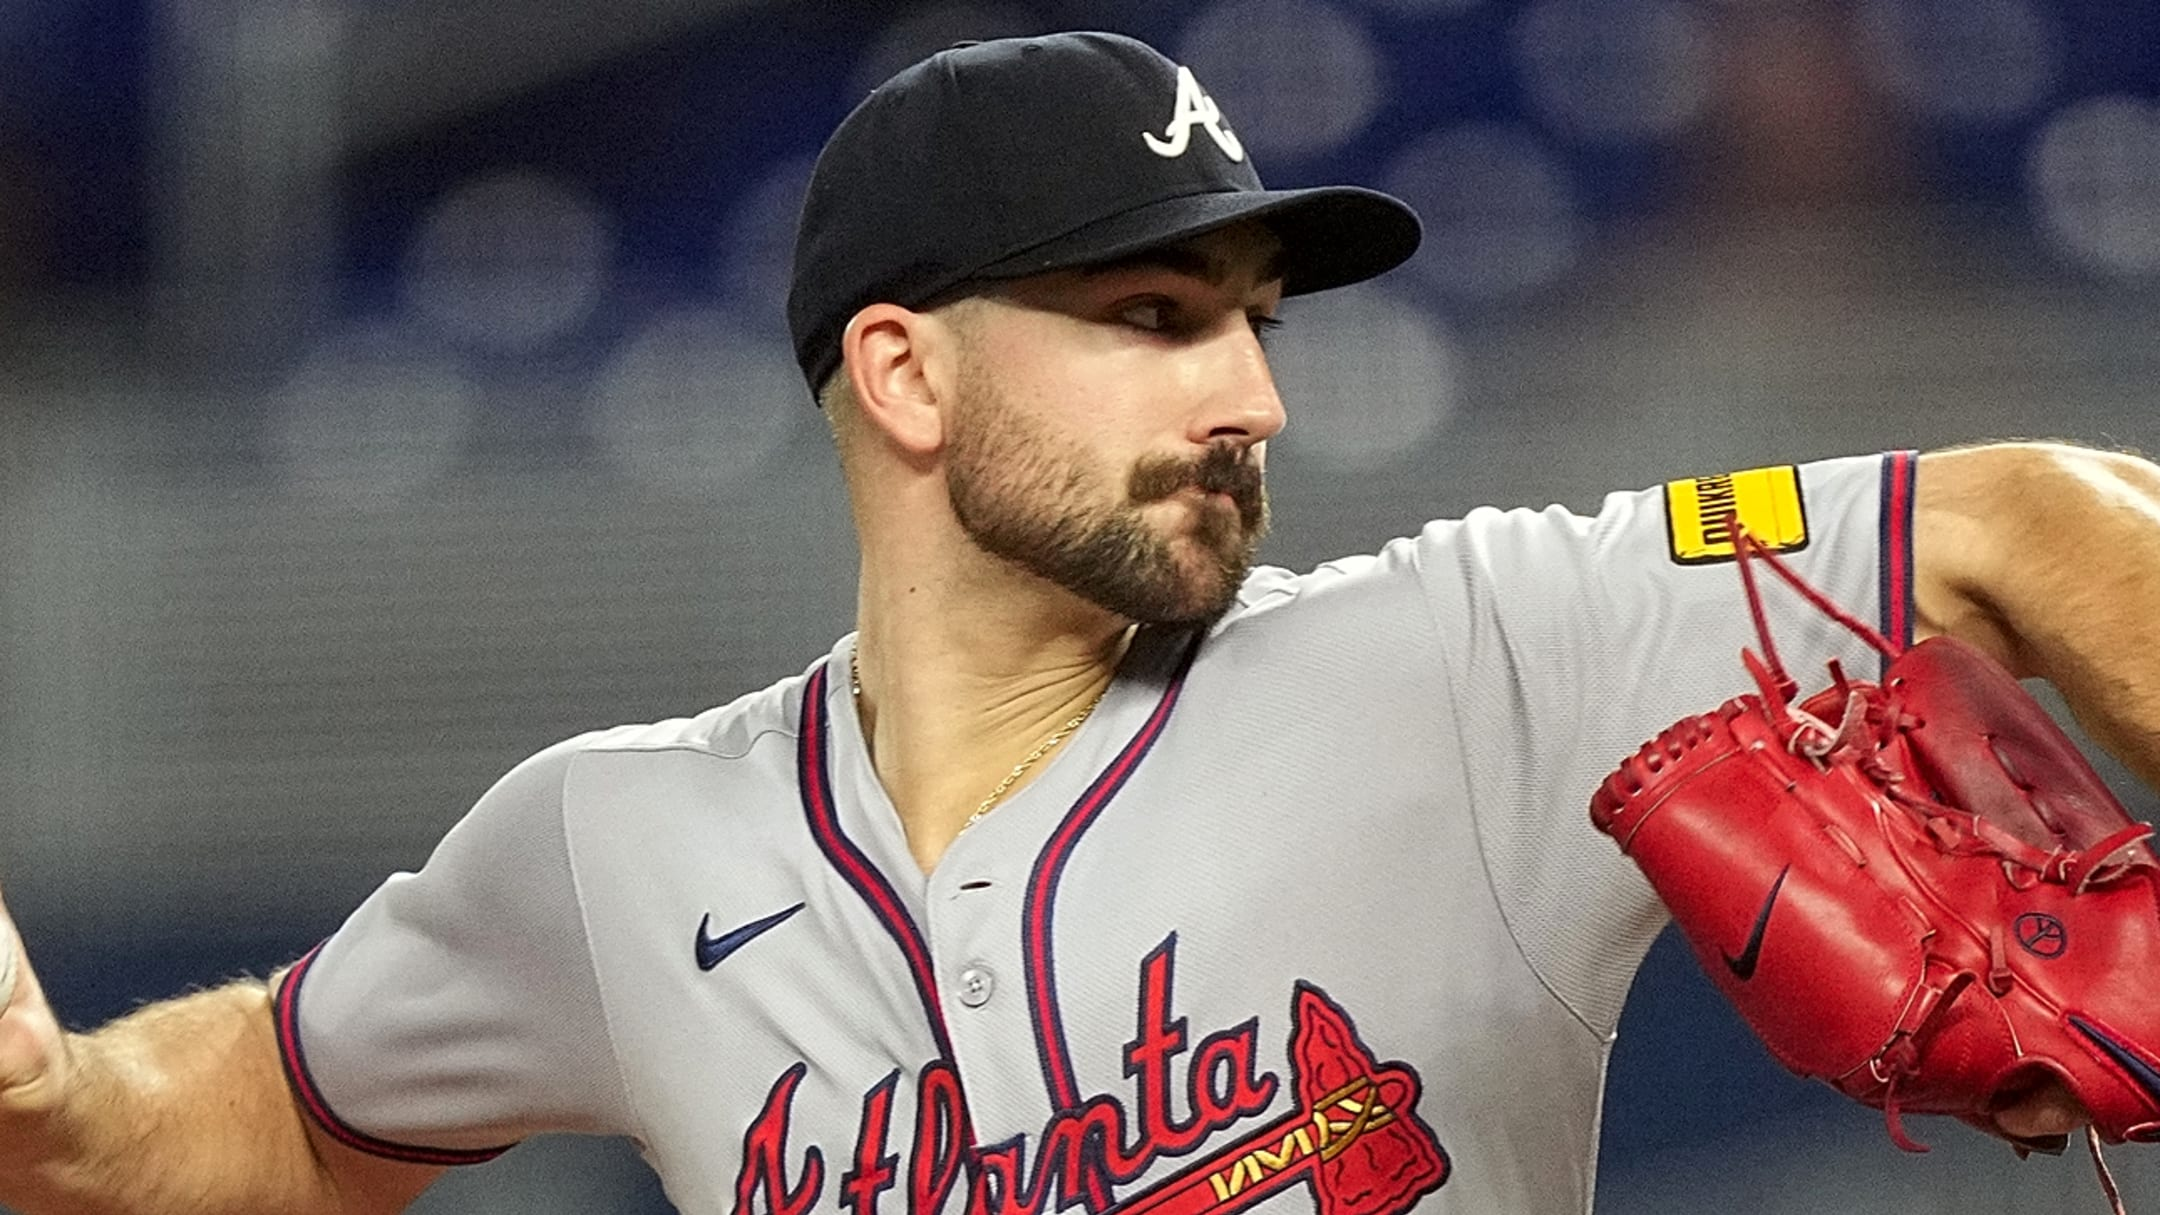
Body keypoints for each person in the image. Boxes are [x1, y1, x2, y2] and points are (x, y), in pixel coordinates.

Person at [0, 29, 2150, 1215]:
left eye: (1251, 320)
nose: (1251, 394)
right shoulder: (608, 852)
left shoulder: (1476, 654)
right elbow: (223, 1111)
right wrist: (49, 1103)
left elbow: (2028, 521)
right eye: (1149, 318)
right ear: (909, 375)